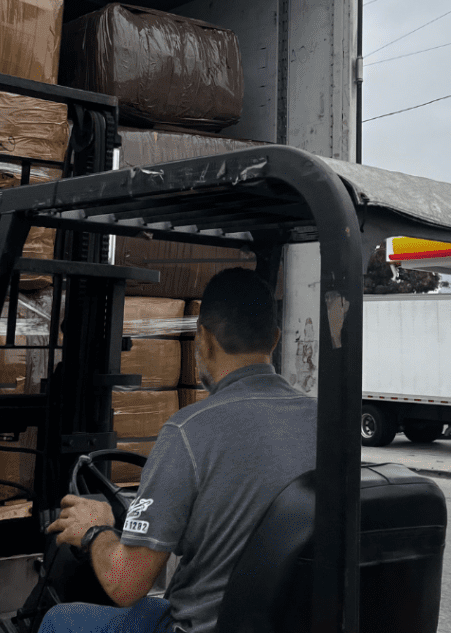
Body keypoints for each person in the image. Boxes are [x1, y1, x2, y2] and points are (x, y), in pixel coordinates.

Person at [43, 268, 318, 633]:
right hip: (288, 620)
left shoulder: (189, 431)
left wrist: (95, 530)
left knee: (59, 620)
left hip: (203, 626)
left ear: (203, 338)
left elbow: (126, 585)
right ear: (276, 338)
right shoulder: (324, 423)